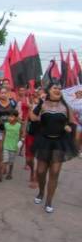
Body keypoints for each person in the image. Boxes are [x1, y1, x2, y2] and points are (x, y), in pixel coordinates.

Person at [30, 82, 78, 213]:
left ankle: (49, 200)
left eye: (59, 88)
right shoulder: (43, 105)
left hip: (59, 142)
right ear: (49, 90)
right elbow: (32, 117)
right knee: (40, 171)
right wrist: (38, 104)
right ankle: (41, 192)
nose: (58, 90)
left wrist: (69, 128)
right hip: (44, 141)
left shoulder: (66, 106)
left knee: (55, 172)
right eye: (55, 88)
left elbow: (73, 122)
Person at [0, 86, 18, 179]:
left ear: (8, 93)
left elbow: (17, 113)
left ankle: (5, 167)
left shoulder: (13, 103)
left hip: (10, 130)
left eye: (5, 92)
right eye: (2, 93)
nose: (4, 94)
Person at [0, 112, 23, 181]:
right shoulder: (6, 124)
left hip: (13, 147)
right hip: (6, 146)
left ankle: (10, 173)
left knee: (11, 162)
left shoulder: (19, 125)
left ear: (16, 118)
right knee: (5, 160)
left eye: (12, 116)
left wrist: (19, 144)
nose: (10, 118)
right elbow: (4, 133)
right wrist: (2, 142)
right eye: (9, 116)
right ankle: (1, 175)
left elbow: (21, 135)